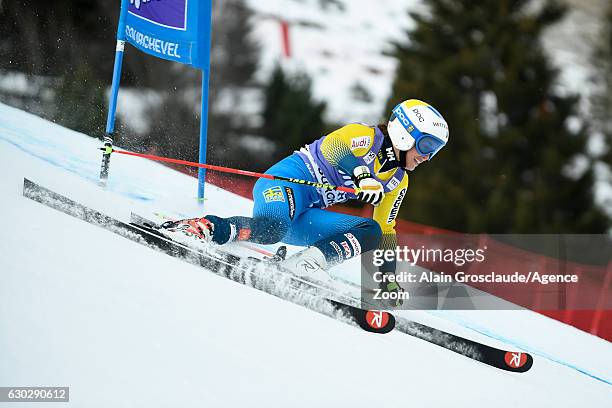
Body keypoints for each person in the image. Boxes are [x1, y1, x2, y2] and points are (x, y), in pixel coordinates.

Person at [163, 99, 449, 304]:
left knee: (371, 231)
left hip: (305, 215)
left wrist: (387, 278)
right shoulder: (365, 136)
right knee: (272, 227)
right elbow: (334, 147)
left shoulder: (399, 180)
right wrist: (362, 176)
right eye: (426, 145)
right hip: (284, 185)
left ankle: (304, 265)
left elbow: (386, 228)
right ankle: (206, 227)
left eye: (434, 151)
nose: (427, 156)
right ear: (404, 133)